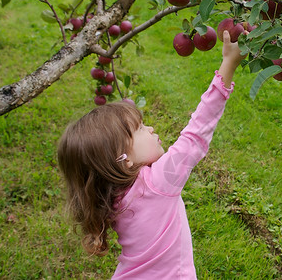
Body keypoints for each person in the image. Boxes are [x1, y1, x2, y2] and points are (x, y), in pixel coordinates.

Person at [57, 30, 246, 279]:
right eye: (139, 129)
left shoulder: (111, 196)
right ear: (123, 159)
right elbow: (196, 132)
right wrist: (228, 64)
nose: (150, 128)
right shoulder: (158, 183)